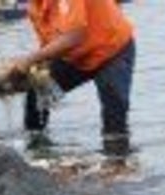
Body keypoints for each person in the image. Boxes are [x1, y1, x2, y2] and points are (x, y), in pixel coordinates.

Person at [9, 0, 135, 156]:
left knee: (114, 117)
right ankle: (37, 153)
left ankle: (118, 164)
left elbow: (75, 36)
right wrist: (24, 74)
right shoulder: (35, 6)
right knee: (36, 94)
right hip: (75, 57)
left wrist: (28, 60)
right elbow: (49, 47)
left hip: (112, 50)